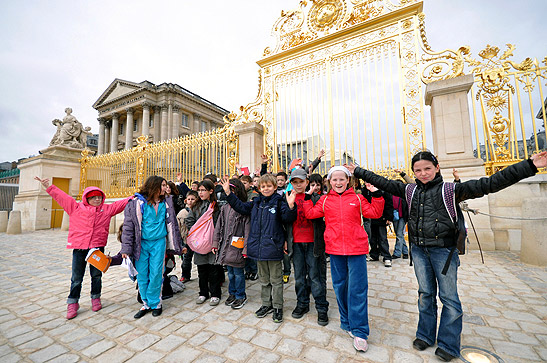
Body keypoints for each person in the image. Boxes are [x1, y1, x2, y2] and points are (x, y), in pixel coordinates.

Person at [348, 150, 547, 361]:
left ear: (437, 168)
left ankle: (448, 344)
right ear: (413, 172)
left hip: (444, 251)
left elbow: (490, 183)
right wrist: (358, 171)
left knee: (449, 298)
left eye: (427, 169)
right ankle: (425, 335)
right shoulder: (410, 189)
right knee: (425, 294)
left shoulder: (451, 190)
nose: (423, 173)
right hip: (419, 250)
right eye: (418, 170)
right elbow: (383, 182)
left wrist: (530, 165)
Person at [302, 166, 384, 352]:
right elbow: (310, 213)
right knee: (340, 287)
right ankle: (346, 322)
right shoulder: (324, 200)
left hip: (356, 249)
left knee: (357, 289)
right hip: (335, 249)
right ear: (329, 182)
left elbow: (375, 213)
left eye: (342, 179)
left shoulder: (357, 198)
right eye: (334, 180)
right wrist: (307, 197)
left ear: (349, 181)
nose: (338, 183)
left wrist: (377, 195)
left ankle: (360, 331)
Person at [34, 177, 131, 320]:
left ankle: (96, 298)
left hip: (97, 249)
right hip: (80, 248)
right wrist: (49, 187)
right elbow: (62, 197)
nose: (97, 200)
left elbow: (121, 203)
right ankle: (73, 302)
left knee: (96, 275)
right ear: (87, 198)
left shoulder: (107, 209)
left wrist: (135, 196)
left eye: (99, 197)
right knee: (76, 278)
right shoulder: (75, 207)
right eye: (94, 198)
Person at [222, 173, 297, 323]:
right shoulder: (255, 203)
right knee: (264, 280)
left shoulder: (279, 202)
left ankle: (277, 306)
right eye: (263, 186)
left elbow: (288, 218)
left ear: (275, 187)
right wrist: (228, 194)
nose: (266, 188)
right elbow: (240, 207)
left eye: (269, 186)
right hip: (259, 249)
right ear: (259, 188)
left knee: (276, 280)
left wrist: (290, 206)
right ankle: (266, 304)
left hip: (274, 247)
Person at [121, 175, 183, 319]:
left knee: (156, 273)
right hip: (141, 244)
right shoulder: (136, 203)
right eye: (162, 185)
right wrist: (126, 248)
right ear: (153, 186)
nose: (164, 188)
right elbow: (128, 228)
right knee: (142, 274)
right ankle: (146, 303)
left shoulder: (166, 203)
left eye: (165, 185)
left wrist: (179, 245)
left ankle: (156, 303)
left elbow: (173, 225)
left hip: (159, 243)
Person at [287, 168, 329, 326]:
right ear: (291, 184)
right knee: (299, 277)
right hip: (296, 242)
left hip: (313, 242)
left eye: (301, 182)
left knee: (315, 277)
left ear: (307, 182)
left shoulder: (316, 198)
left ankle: (321, 307)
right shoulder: (288, 197)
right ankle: (302, 303)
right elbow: (284, 221)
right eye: (295, 182)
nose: (298, 185)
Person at [213, 178, 251, 309]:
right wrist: (215, 243)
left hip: (238, 246)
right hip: (226, 246)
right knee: (230, 272)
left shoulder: (244, 207)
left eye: (232, 190)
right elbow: (218, 226)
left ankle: (241, 295)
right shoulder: (224, 208)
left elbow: (247, 230)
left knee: (238, 273)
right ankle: (232, 293)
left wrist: (246, 248)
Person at [185, 179, 223, 306]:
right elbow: (189, 220)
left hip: (213, 241)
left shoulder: (216, 206)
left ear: (211, 191)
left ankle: (215, 294)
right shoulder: (195, 206)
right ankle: (203, 293)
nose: (200, 193)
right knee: (201, 269)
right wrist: (197, 232)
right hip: (200, 243)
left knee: (214, 269)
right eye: (199, 190)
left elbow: (220, 223)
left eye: (203, 190)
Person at [365, 189, 394, 267]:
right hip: (371, 218)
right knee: (372, 238)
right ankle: (374, 254)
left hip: (382, 217)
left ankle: (387, 257)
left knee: (382, 238)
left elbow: (389, 204)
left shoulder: (383, 190)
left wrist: (389, 217)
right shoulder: (366, 190)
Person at [176, 191, 199, 282]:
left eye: (192, 199)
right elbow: (178, 226)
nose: (190, 201)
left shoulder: (199, 211)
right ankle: (185, 275)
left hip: (197, 239)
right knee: (186, 259)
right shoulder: (182, 213)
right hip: (186, 240)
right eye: (189, 199)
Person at [391, 194, 409, 259]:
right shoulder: (391, 195)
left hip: (402, 217)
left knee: (399, 234)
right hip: (395, 216)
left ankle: (397, 253)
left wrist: (407, 218)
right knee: (399, 235)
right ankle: (405, 252)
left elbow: (407, 207)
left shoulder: (404, 195)